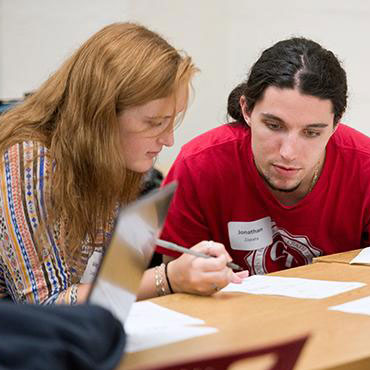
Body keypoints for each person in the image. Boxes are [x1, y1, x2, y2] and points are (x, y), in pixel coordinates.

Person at [0, 22, 248, 305]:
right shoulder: (29, 160)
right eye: (155, 123)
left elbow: (97, 279)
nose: (168, 140)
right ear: (101, 116)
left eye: (170, 121)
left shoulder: (108, 159)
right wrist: (167, 278)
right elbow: (44, 305)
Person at [157, 37, 370, 277]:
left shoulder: (364, 166)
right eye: (274, 125)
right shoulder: (199, 165)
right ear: (247, 110)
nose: (288, 153)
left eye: (311, 133)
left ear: (335, 124)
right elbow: (175, 285)